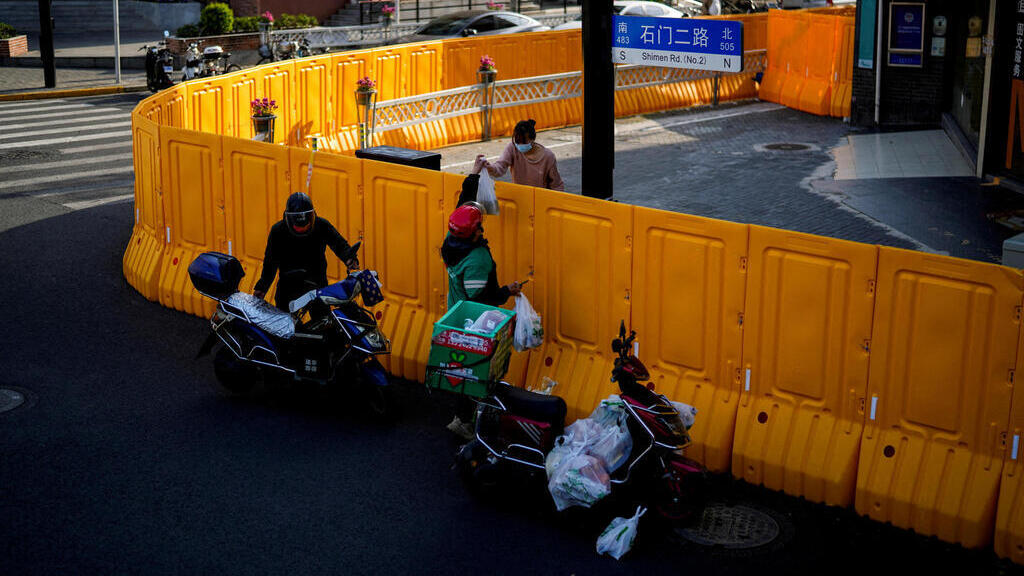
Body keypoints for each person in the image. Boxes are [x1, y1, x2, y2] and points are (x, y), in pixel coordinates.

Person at [441, 202, 522, 438]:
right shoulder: (477, 260)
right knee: (477, 371)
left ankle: (462, 417)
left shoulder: (451, 241)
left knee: (462, 368)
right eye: (479, 227)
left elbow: (461, 210)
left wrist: (474, 176)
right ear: (472, 233)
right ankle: (467, 421)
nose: (482, 229)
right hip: (475, 322)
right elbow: (483, 297)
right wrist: (508, 290)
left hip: (455, 313)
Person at [254, 192, 357, 311]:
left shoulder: (322, 225)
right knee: (285, 325)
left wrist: (349, 258)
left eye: (306, 225)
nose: (303, 228)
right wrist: (262, 287)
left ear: (312, 217)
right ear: (289, 220)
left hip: (317, 284)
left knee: (323, 322)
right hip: (288, 286)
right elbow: (270, 262)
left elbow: (339, 244)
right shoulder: (278, 231)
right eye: (299, 227)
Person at [485, 119, 565, 191]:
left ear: (533, 139)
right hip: (519, 197)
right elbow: (500, 167)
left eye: (523, 142)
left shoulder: (548, 156)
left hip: (540, 199)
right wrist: (490, 167)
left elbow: (556, 185)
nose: (519, 145)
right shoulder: (512, 148)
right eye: (517, 141)